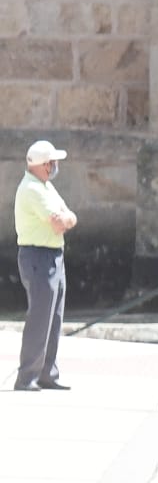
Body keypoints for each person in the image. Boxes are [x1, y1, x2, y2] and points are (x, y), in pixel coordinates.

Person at [13, 140, 76, 391]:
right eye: (52, 162)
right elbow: (60, 223)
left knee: (54, 317)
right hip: (38, 256)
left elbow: (69, 215)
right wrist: (66, 219)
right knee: (40, 317)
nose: (55, 166)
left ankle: (47, 373)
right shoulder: (33, 190)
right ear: (42, 165)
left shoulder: (45, 186)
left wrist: (67, 218)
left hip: (53, 256)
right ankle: (27, 376)